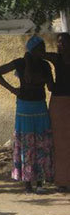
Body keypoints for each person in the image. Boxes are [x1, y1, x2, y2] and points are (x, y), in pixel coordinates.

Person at [0, 35, 55, 193]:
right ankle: (27, 183)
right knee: (27, 147)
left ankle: (40, 182)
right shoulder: (20, 63)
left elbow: (51, 87)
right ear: (32, 50)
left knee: (41, 145)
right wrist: (12, 89)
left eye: (44, 49)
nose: (43, 51)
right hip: (25, 109)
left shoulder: (45, 65)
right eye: (40, 49)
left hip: (40, 107)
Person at [42, 32, 70, 191]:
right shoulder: (56, 59)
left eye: (64, 42)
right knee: (59, 144)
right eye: (59, 42)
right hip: (58, 104)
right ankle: (61, 180)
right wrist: (49, 80)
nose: (60, 45)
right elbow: (37, 54)